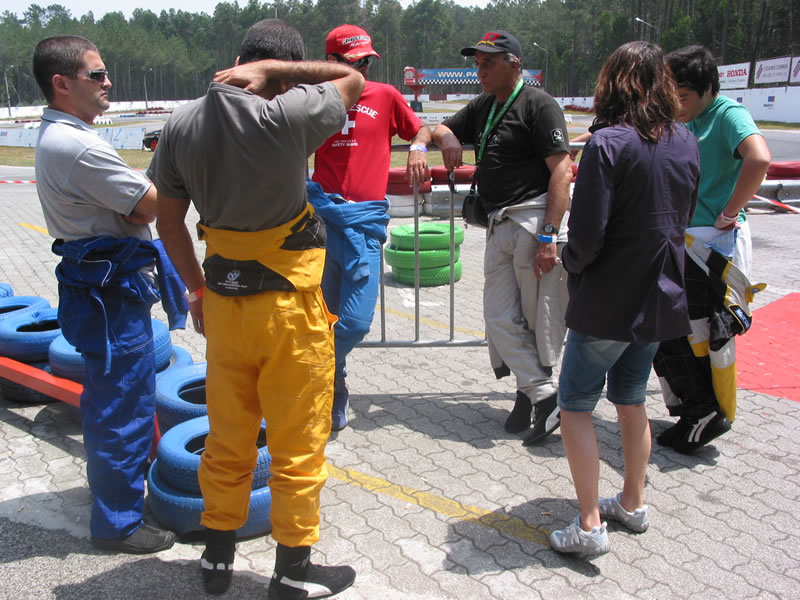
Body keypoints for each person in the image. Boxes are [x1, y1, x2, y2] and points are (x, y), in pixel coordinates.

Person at [148, 19, 364, 598]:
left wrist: (194, 292)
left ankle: (218, 558)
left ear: (236, 59)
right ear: (275, 73)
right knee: (297, 444)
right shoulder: (285, 116)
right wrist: (279, 75)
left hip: (221, 304)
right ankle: (292, 571)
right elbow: (350, 79)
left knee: (227, 437)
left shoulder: (181, 123)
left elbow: (168, 222)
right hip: (288, 312)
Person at [549, 41, 700, 559]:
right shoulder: (685, 140)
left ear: (611, 85)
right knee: (631, 398)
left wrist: (568, 262)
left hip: (608, 302)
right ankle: (632, 502)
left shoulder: (607, 145)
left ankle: (590, 523)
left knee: (574, 406)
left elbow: (587, 238)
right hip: (660, 299)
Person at [32, 35, 181, 555]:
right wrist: (167, 172)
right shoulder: (77, 145)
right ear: (62, 83)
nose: (108, 82)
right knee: (123, 408)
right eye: (97, 75)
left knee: (115, 400)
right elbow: (148, 207)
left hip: (97, 291)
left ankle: (119, 497)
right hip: (108, 296)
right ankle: (118, 524)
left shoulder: (65, 136)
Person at [431, 30, 572, 445]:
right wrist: (442, 138)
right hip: (498, 224)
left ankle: (531, 399)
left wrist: (549, 236)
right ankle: (544, 397)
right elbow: (435, 126)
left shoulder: (540, 105)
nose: (480, 70)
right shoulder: (483, 105)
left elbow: (562, 172)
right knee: (499, 317)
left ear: (514, 64)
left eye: (488, 63)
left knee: (536, 320)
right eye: (477, 63)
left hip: (533, 224)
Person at [311, 24, 432, 431]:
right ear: (331, 62)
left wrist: (418, 146)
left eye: (366, 61)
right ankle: (334, 386)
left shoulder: (384, 95)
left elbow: (420, 128)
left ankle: (323, 369)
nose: (362, 67)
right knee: (323, 315)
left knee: (356, 322)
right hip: (322, 223)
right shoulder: (310, 99)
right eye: (354, 61)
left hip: (363, 224)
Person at [652, 45, 772, 454]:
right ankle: (696, 411)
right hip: (683, 241)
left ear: (707, 89)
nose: (676, 106)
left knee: (691, 334)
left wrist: (730, 210)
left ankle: (704, 412)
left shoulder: (727, 115)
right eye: (671, 97)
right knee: (673, 331)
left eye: (683, 97)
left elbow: (759, 158)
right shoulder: (683, 120)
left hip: (709, 248)